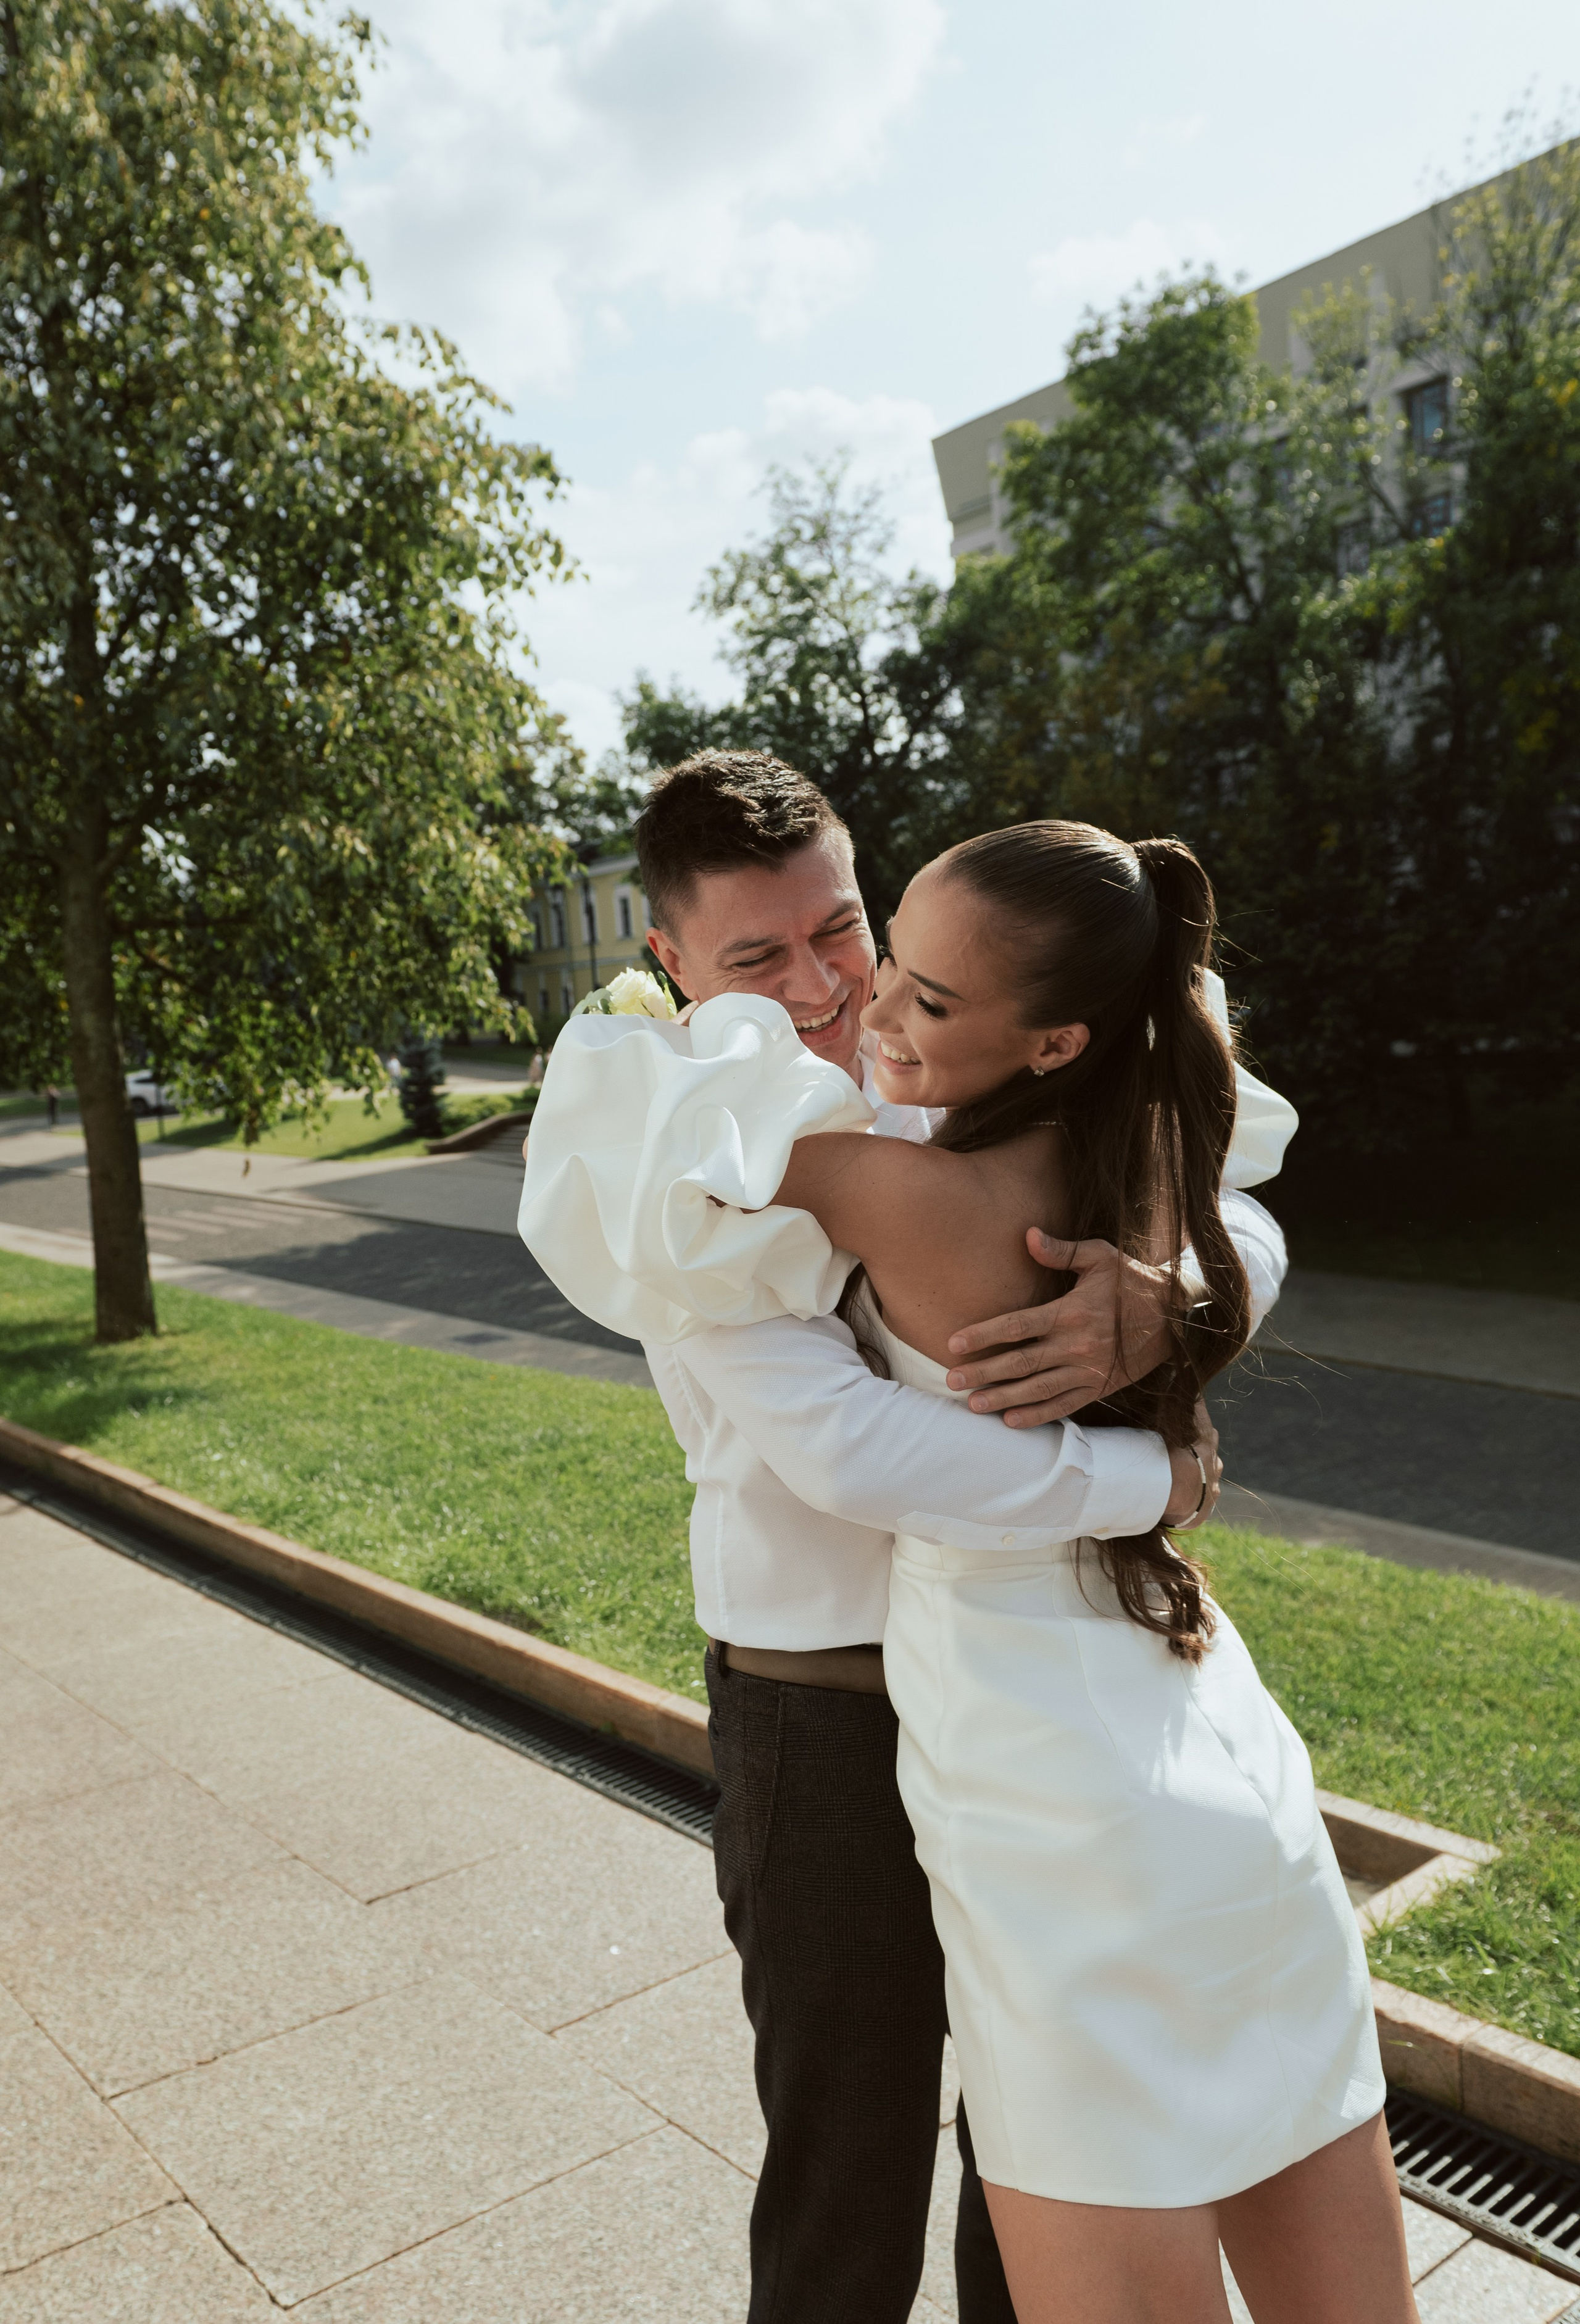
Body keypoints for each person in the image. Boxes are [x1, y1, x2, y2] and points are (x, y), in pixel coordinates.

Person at [525, 808, 1415, 2324]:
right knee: (848, 2174)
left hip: (1050, 1707)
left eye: (841, 928)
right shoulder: (707, 1147)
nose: (825, 987)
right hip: (826, 1710)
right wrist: (1153, 1476)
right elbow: (858, 1455)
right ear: (669, 964)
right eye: (759, 956)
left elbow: (1235, 1186)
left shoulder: (965, 1023)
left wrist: (1180, 1297)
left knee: (1042, 2174)